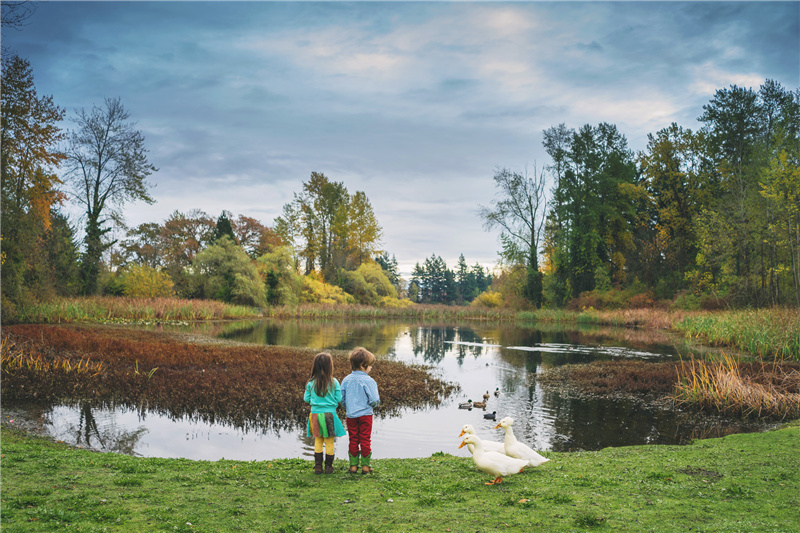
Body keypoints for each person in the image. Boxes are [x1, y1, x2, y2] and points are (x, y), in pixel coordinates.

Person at [304, 352, 346, 474]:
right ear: (330, 366)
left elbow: (306, 399)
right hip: (329, 415)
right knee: (329, 441)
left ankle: (318, 467)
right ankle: (328, 467)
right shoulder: (334, 382)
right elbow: (338, 399)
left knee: (318, 440)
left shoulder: (311, 383)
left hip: (315, 415)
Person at [340, 346, 380, 474]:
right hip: (365, 415)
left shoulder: (346, 380)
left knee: (353, 439)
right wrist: (371, 405)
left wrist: (348, 407)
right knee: (365, 439)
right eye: (369, 365)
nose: (371, 368)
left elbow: (341, 398)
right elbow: (375, 399)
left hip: (351, 415)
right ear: (363, 365)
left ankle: (352, 466)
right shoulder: (369, 381)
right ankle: (365, 466)